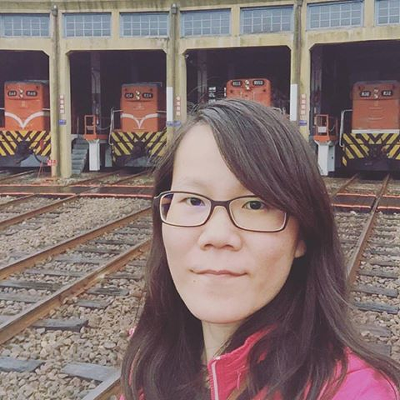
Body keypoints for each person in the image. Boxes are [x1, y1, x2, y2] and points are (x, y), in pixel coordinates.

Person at [121, 99, 400, 400]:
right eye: (193, 200)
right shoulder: (148, 365)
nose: (217, 235)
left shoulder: (357, 391)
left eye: (256, 204)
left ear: (303, 233)